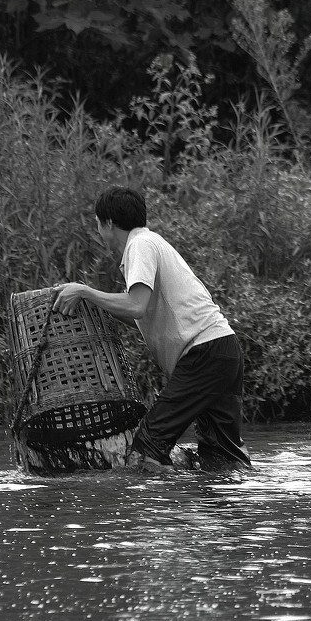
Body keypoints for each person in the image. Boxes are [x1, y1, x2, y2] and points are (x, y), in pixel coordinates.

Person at [53, 186, 252, 472]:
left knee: (147, 449)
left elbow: (136, 306)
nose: (97, 229)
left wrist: (85, 292)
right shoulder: (149, 242)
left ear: (109, 223)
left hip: (203, 353)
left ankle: (160, 516)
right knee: (223, 458)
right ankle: (228, 509)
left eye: (97, 223)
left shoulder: (140, 245)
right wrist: (97, 301)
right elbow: (138, 314)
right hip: (223, 350)